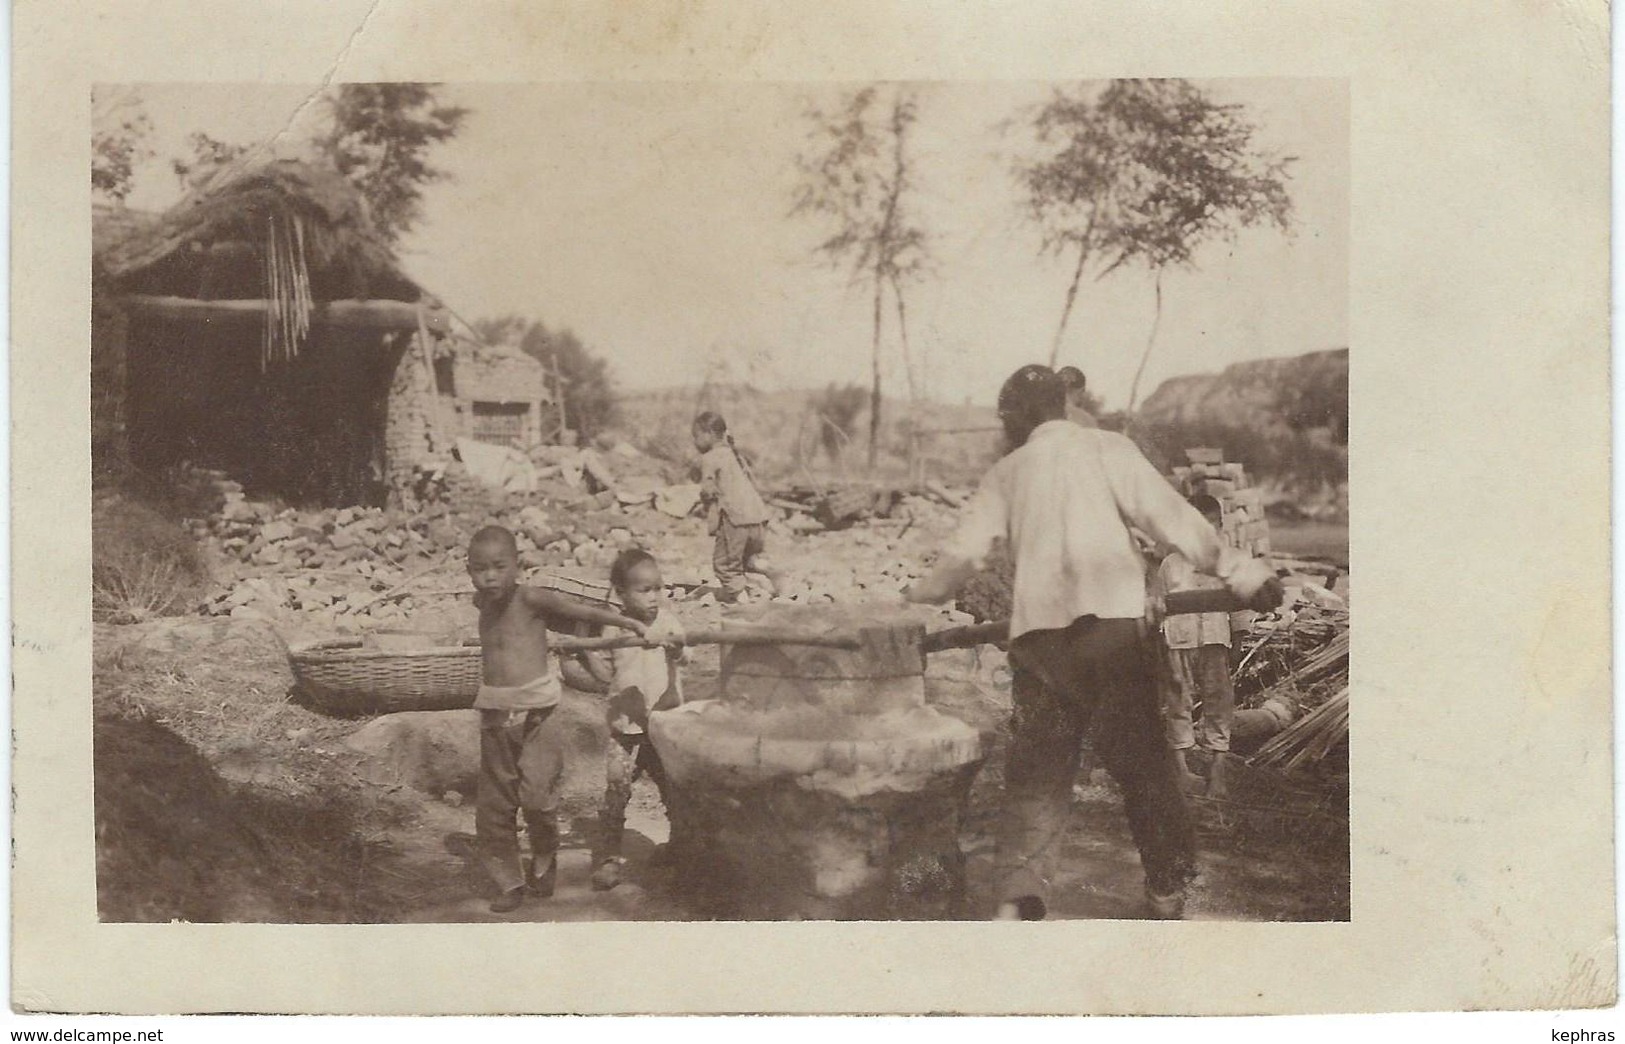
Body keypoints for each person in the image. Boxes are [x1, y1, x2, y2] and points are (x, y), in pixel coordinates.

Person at [905, 365, 1282, 920]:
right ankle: (1167, 888)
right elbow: (1170, 518)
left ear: (1016, 415)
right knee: (1143, 765)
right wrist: (1243, 573)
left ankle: (1020, 892)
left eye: (1005, 416)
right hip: (1111, 633)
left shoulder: (1007, 472)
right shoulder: (1109, 449)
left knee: (1039, 773)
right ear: (1061, 404)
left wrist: (915, 596)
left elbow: (964, 558)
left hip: (1040, 643)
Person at [465, 525, 651, 914]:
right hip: (496, 716)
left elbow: (579, 611)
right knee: (494, 807)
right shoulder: (481, 602)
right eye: (479, 568)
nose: (490, 576)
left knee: (537, 797)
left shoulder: (531, 598)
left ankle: (544, 857)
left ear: (518, 565)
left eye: (499, 566)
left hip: (538, 714)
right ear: (469, 571)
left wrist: (628, 623)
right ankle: (509, 882)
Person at [588, 548, 688, 891]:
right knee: (617, 792)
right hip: (625, 729)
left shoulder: (668, 622)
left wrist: (672, 646)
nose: (653, 597)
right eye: (643, 590)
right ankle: (609, 858)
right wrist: (584, 654)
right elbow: (601, 667)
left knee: (673, 790)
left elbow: (684, 654)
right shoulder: (612, 627)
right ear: (621, 593)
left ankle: (680, 845)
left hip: (662, 726)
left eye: (657, 588)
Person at [1153, 494, 1239, 799]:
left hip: (1215, 640)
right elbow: (1159, 608)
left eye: (1209, 527)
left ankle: (1217, 767)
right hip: (1179, 642)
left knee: (1219, 701)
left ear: (1219, 527)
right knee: (1179, 701)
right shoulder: (1170, 566)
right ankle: (1181, 768)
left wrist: (1237, 642)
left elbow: (1238, 609)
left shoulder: (1227, 563)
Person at [693, 411, 780, 603]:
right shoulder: (734, 455)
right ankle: (771, 574)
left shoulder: (710, 458)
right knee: (746, 559)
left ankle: (742, 602)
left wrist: (703, 503)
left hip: (736, 519)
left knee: (723, 564)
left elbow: (708, 490)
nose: (695, 442)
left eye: (696, 436)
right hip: (758, 518)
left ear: (707, 433)